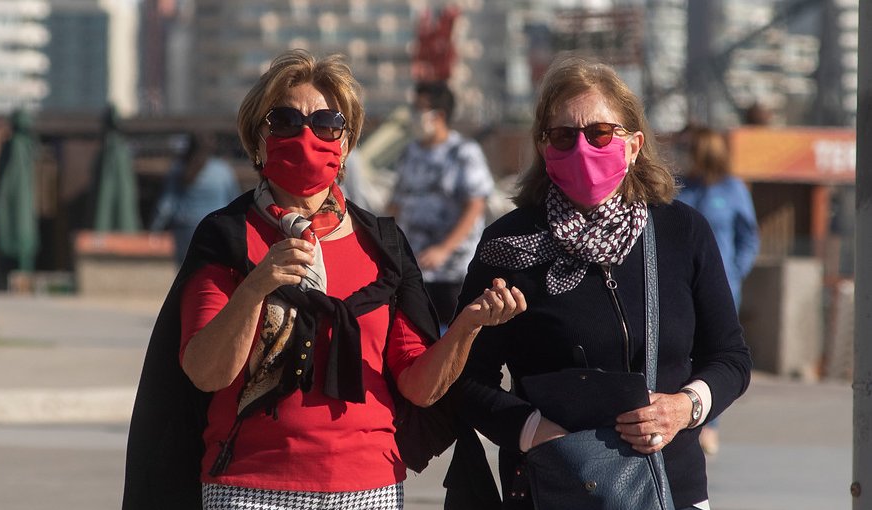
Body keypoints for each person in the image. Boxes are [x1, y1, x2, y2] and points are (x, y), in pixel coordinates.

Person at [122, 49, 526, 510]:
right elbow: (205, 371)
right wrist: (256, 286)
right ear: (258, 141)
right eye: (286, 121)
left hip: (368, 487)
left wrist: (466, 326)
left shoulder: (384, 245)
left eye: (327, 124)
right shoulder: (229, 236)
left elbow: (418, 385)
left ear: (346, 143)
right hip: (251, 488)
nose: (307, 135)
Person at [442, 53, 752, 510]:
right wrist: (534, 432)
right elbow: (466, 377)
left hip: (670, 487)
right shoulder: (508, 243)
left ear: (633, 145)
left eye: (600, 133)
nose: (582, 148)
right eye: (564, 136)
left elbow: (730, 357)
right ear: (544, 147)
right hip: (552, 484)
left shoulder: (682, 232)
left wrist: (684, 408)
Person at [676, 126, 760, 456]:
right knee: (684, 350)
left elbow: (749, 237)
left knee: (717, 354)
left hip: (723, 285)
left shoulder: (733, 188)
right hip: (682, 285)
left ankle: (710, 424)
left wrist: (735, 272)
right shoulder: (681, 187)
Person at [388, 81, 494, 330]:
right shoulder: (409, 153)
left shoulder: (464, 153)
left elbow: (476, 205)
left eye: (419, 109)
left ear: (439, 115)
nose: (414, 115)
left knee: (451, 334)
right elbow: (395, 203)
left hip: (452, 272)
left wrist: (444, 249)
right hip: (413, 268)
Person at [151, 131, 241, 266]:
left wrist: (156, 228)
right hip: (216, 228)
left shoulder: (179, 169)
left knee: (185, 275)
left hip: (185, 228)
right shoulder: (223, 171)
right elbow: (234, 201)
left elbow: (167, 204)